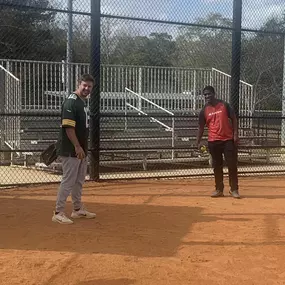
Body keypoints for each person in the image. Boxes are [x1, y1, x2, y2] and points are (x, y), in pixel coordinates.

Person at [52, 74, 97, 224]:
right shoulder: (71, 102)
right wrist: (77, 146)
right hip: (71, 149)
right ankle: (58, 212)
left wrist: (82, 148)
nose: (87, 89)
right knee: (69, 180)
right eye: (84, 85)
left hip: (80, 149)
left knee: (79, 180)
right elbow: (69, 128)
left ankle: (77, 209)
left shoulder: (81, 102)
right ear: (79, 84)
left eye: (89, 86)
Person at [196, 86, 240, 199]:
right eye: (205, 95)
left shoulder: (224, 105)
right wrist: (198, 142)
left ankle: (234, 189)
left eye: (209, 94)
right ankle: (219, 189)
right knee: (217, 166)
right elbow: (201, 128)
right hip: (213, 141)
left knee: (232, 165)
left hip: (227, 140)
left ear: (214, 94)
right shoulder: (204, 110)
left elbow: (234, 119)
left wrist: (235, 135)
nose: (207, 96)